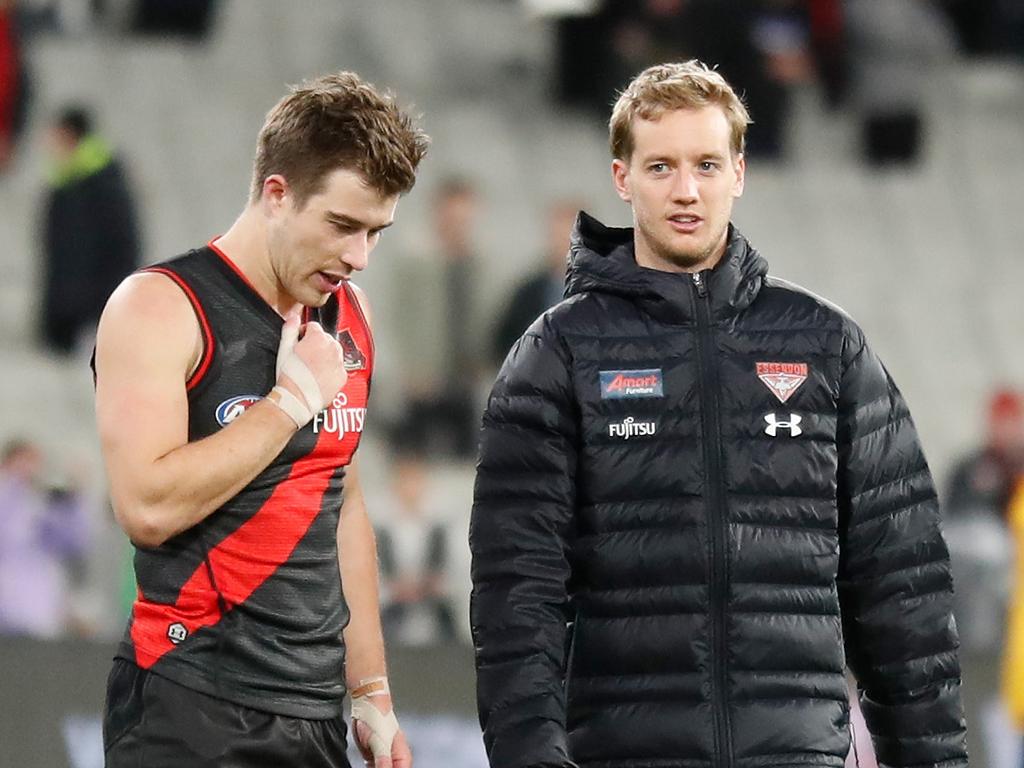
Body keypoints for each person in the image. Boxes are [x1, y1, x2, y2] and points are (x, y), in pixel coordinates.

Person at [470, 60, 967, 768]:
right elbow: (517, 597)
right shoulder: (557, 353)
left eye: (706, 164)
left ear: (739, 171)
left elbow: (902, 588)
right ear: (622, 178)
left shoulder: (827, 345)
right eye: (661, 166)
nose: (686, 190)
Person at [93, 72, 427, 768]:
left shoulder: (350, 317)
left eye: (376, 231)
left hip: (313, 713)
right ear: (277, 194)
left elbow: (345, 503)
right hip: (189, 700)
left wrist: (371, 693)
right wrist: (287, 405)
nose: (358, 256)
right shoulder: (159, 307)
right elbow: (147, 507)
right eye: (341, 225)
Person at [39, 105, 141, 354]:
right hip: (81, 310)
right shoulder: (75, 176)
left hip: (87, 314)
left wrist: (75, 315)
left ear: (69, 134)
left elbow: (87, 253)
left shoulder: (91, 182)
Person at [0, 437, 90, 637]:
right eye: (22, 461)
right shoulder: (7, 500)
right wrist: (12, 485)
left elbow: (75, 543)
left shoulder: (42, 506)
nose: (29, 469)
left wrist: (74, 498)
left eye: (33, 462)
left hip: (37, 609)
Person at [490, 199, 581, 369]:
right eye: (557, 235)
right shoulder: (528, 293)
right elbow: (504, 342)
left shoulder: (605, 293)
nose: (564, 244)